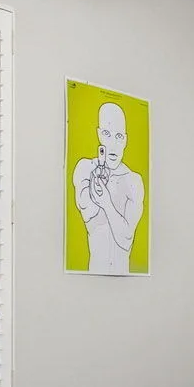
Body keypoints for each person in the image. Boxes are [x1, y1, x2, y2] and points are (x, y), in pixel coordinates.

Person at [73, 101, 144, 274]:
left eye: (118, 136)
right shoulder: (85, 169)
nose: (113, 144)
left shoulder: (133, 181)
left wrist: (107, 203)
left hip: (124, 275)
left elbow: (126, 239)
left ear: (125, 140)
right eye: (107, 134)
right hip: (93, 274)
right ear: (99, 135)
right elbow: (87, 211)